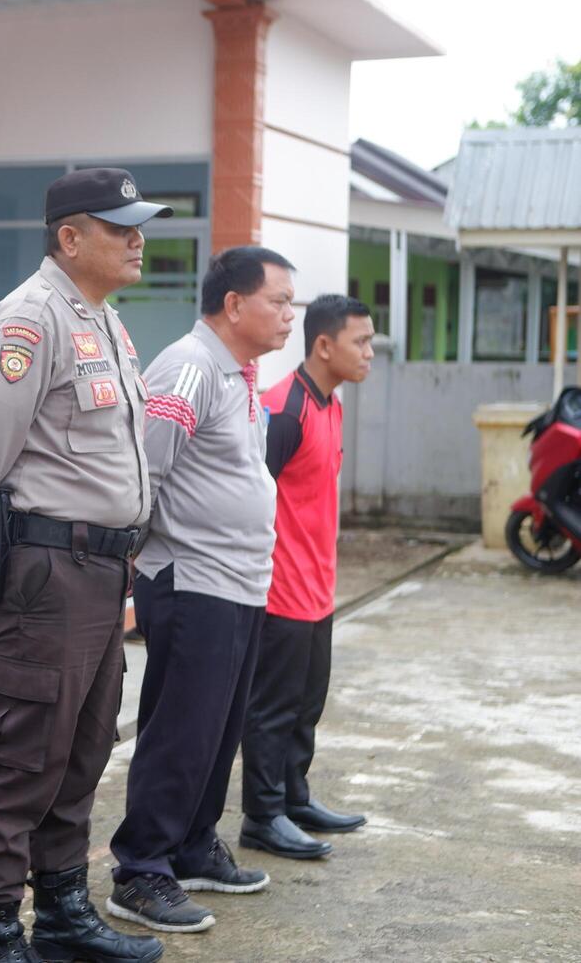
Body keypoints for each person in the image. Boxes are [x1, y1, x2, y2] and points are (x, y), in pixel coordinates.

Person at [0, 167, 167, 963]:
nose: (138, 239)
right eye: (120, 227)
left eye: (139, 225)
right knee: (19, 750)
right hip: (47, 571)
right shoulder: (29, 321)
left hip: (102, 572)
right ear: (69, 238)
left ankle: (65, 911)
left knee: (84, 743)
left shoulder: (105, 321)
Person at [106, 246, 296, 935]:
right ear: (235, 304)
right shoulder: (188, 367)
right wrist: (144, 562)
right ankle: (141, 869)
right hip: (193, 580)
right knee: (181, 730)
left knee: (217, 731)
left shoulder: (238, 372)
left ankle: (190, 845)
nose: (288, 315)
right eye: (278, 300)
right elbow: (143, 475)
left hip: (240, 581)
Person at [240, 294, 375, 857]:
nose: (370, 352)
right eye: (361, 342)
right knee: (271, 711)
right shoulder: (283, 409)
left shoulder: (331, 405)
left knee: (306, 705)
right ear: (324, 345)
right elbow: (249, 498)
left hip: (319, 592)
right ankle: (262, 817)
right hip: (280, 593)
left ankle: (295, 798)